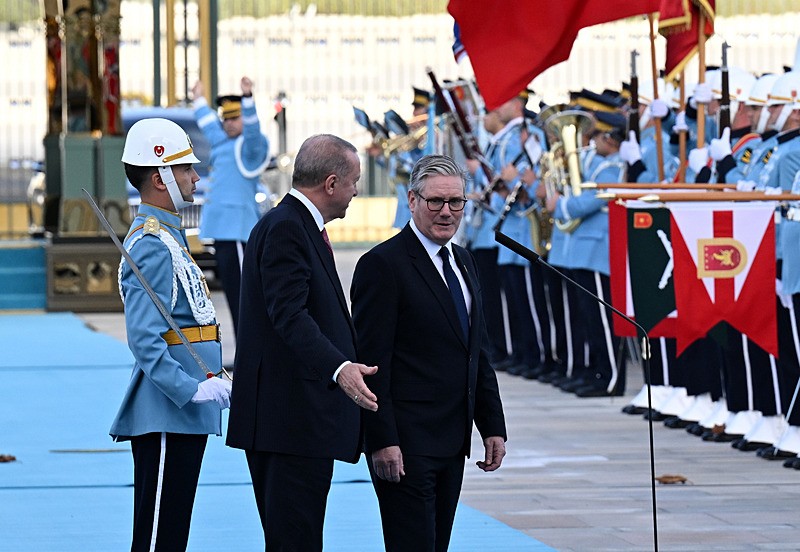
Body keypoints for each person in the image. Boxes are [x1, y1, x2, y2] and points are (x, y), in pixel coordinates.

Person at [226, 134, 378, 551]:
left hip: (296, 423)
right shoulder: (287, 228)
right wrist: (339, 368)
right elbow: (289, 315)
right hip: (287, 423)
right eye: (354, 182)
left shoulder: (296, 224)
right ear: (331, 184)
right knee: (294, 540)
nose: (356, 191)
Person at [351, 154, 507, 552]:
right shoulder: (382, 265)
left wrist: (492, 425)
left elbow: (477, 352)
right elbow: (372, 362)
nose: (446, 212)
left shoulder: (464, 261)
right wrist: (381, 440)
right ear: (412, 200)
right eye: (435, 201)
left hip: (453, 441)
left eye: (456, 202)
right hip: (406, 444)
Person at [109, 117, 232, 552]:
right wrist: (190, 389)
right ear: (160, 179)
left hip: (184, 408)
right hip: (168, 408)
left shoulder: (170, 237)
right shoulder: (151, 244)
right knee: (159, 535)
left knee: (173, 531)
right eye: (185, 169)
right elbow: (145, 339)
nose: (195, 178)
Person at [192, 76, 270, 338]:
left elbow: (253, 133)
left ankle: (251, 346)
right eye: (226, 118)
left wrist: (248, 100)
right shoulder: (224, 142)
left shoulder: (249, 147)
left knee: (244, 298)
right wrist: (198, 99)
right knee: (235, 298)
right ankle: (245, 346)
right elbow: (208, 124)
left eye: (235, 118)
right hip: (223, 231)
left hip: (238, 231)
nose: (228, 123)